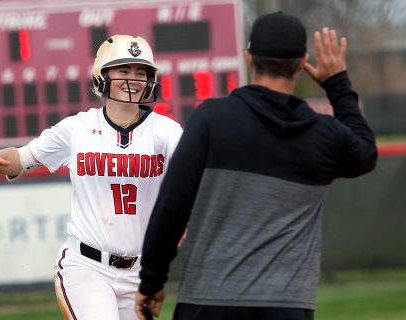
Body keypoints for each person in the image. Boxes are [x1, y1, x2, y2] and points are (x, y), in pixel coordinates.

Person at [135, 12, 377, 320]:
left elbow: (173, 205)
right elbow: (366, 152)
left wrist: (152, 281)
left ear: (249, 57)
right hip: (286, 307)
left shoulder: (211, 119)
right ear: (303, 61)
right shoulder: (324, 136)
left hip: (209, 303)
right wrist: (337, 84)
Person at [0, 34, 183, 320]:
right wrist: (0, 159)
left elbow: (189, 182)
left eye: (141, 72)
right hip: (87, 266)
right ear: (102, 77)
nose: (134, 78)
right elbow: (22, 158)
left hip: (141, 271)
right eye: (123, 70)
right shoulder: (77, 128)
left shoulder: (166, 131)